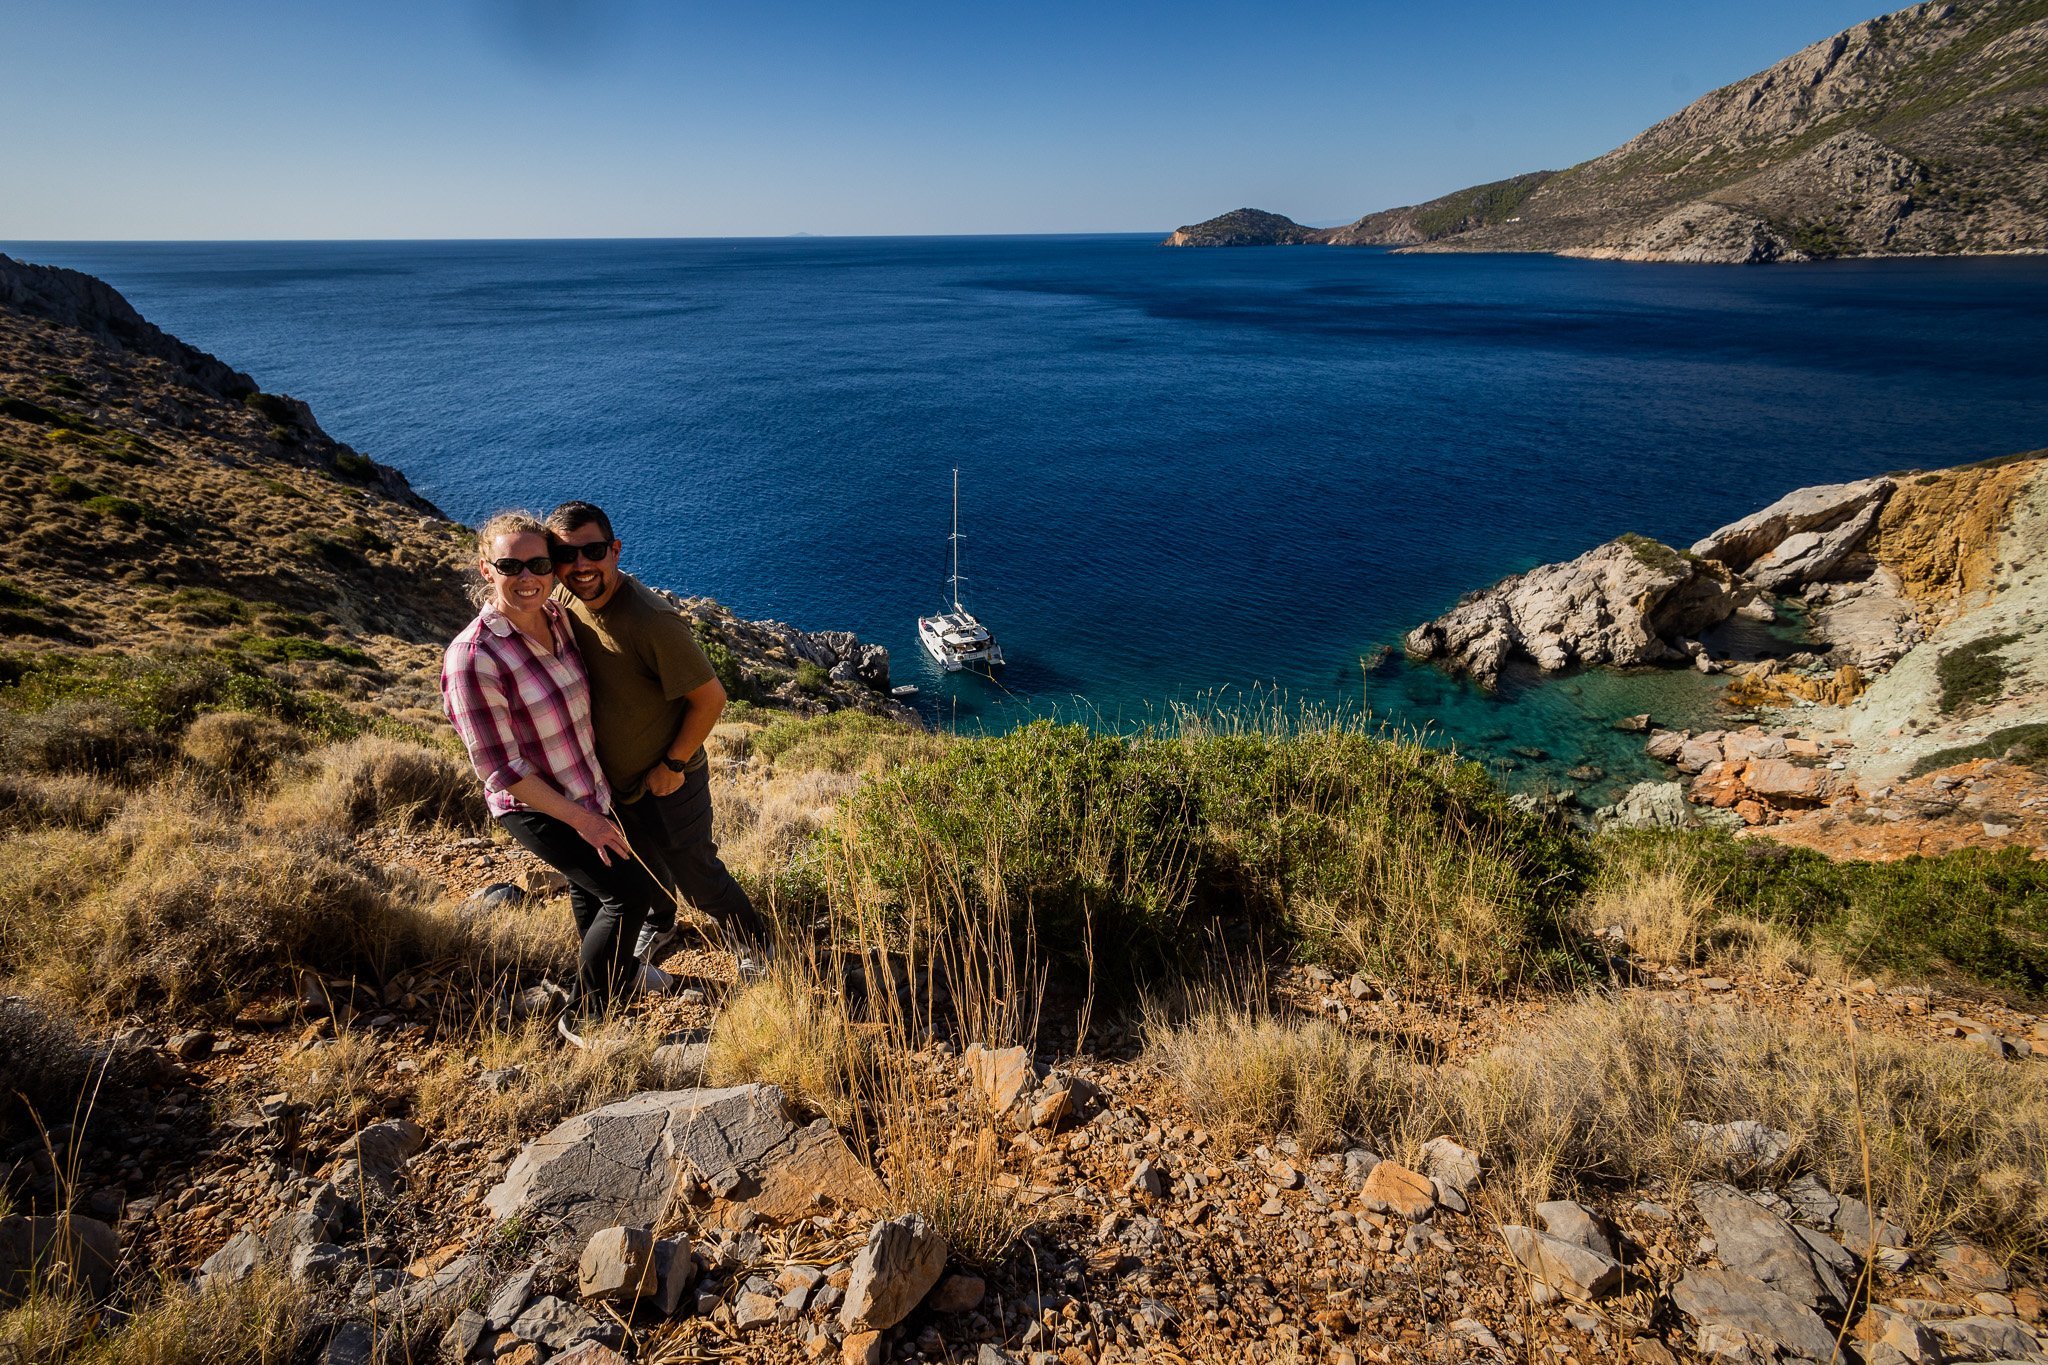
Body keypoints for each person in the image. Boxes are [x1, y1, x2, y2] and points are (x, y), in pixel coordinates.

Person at [441, 510, 667, 1045]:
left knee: (592, 894)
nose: (527, 576)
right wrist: (583, 821)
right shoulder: (472, 658)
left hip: (588, 787)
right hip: (540, 807)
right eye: (510, 565)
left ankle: (612, 980)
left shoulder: (560, 620)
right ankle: (588, 1017)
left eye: (538, 563)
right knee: (629, 896)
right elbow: (501, 769)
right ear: (485, 568)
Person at [544, 500, 769, 972]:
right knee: (644, 866)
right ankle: (663, 922)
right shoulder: (567, 602)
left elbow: (711, 700)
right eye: (567, 555)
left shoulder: (651, 620)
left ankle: (756, 943)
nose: (581, 565)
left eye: (593, 550)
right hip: (612, 784)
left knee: (698, 874)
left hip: (668, 779)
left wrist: (672, 766)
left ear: (615, 550)